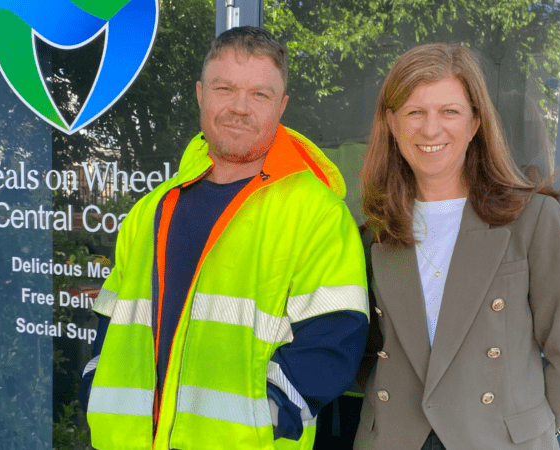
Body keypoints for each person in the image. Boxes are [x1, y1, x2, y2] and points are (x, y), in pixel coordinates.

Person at [79, 26, 369, 450]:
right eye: (225, 89)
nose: (239, 107)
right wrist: (94, 386)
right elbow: (112, 319)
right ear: (201, 94)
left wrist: (264, 419)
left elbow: (335, 338)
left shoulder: (317, 213)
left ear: (281, 106)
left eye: (259, 95)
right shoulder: (151, 209)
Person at [353, 43, 560, 450]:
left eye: (449, 111)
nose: (431, 129)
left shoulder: (532, 220)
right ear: (392, 123)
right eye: (415, 112)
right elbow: (363, 354)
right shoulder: (374, 234)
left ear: (475, 123)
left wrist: (526, 430)